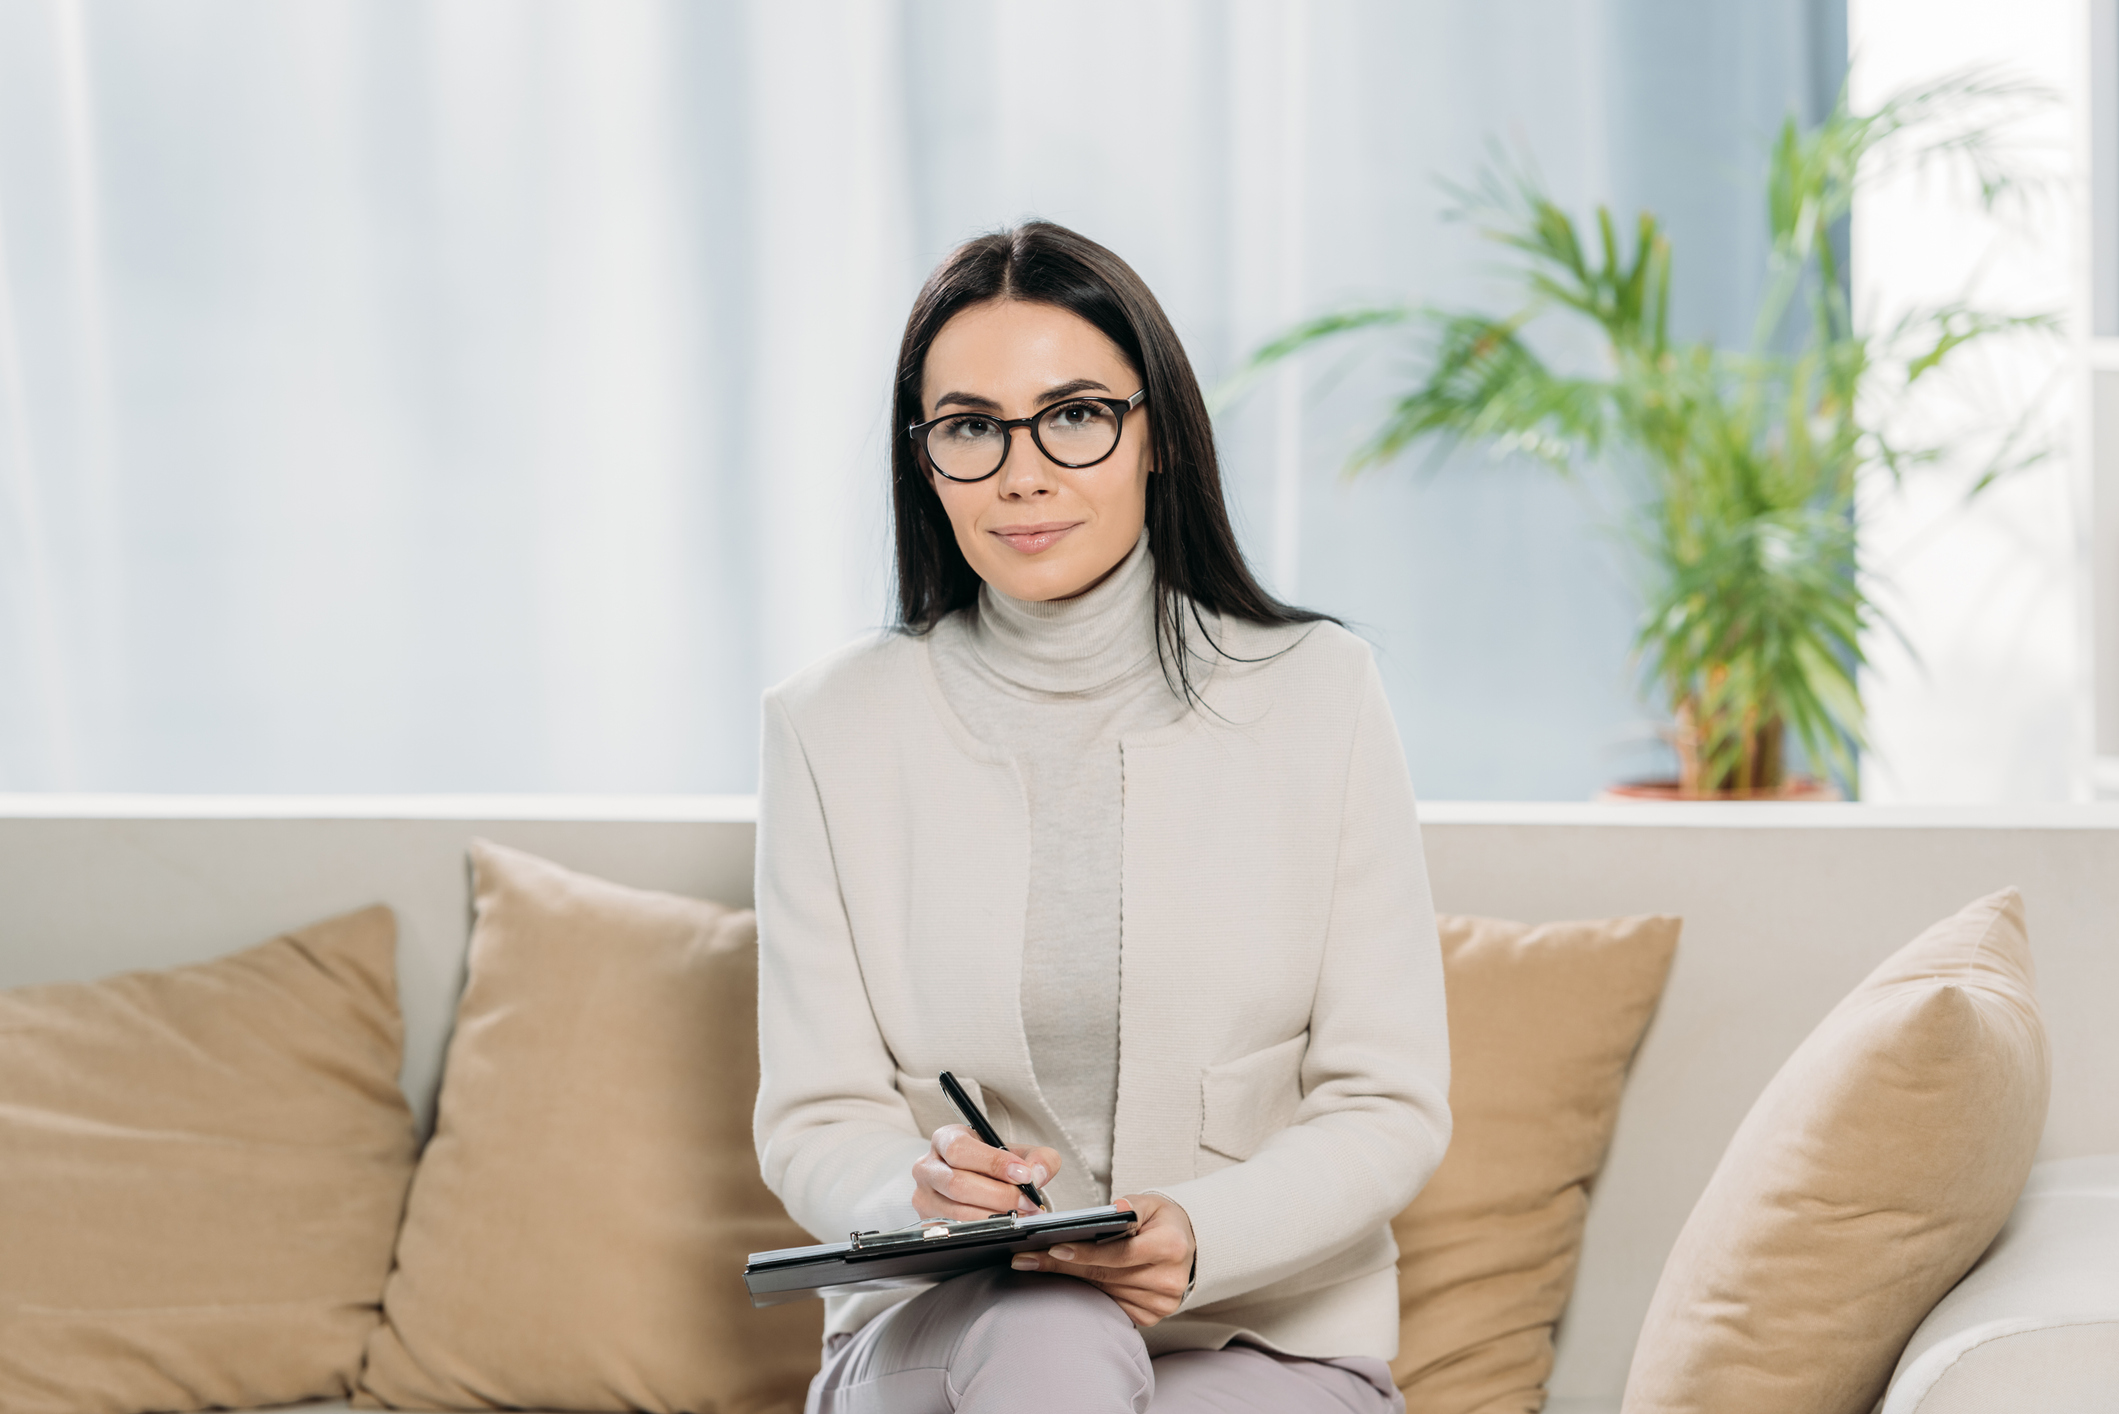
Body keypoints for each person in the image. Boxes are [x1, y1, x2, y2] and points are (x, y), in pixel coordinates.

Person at [753, 220, 1450, 1414]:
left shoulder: (1316, 693)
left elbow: (1386, 1101)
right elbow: (815, 1118)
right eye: (970, 427)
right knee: (1053, 1335)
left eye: (1073, 414)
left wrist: (1198, 1230)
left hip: (1259, 1337)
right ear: (924, 460)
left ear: (1156, 434)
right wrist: (912, 1188)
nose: (1022, 472)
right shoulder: (829, 726)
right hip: (949, 1338)